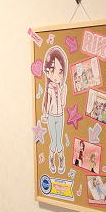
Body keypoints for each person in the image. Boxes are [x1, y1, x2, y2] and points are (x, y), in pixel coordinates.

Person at [42, 45, 68, 174]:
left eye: (60, 72)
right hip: (52, 116)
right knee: (54, 141)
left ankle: (61, 160)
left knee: (59, 140)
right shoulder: (50, 88)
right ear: (47, 72)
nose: (57, 76)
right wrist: (46, 115)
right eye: (53, 70)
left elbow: (62, 104)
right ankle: (52, 160)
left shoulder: (62, 88)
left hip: (60, 115)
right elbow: (48, 102)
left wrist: (63, 94)